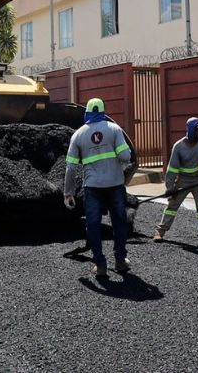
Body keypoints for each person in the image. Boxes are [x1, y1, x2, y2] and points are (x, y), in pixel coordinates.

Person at [63, 97, 132, 277]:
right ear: (103, 111)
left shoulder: (78, 135)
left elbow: (70, 167)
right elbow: (125, 156)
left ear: (87, 112)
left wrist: (68, 192)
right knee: (119, 222)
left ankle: (100, 265)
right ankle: (120, 261)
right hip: (115, 184)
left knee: (93, 225)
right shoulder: (115, 129)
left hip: (92, 187)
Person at [152, 117, 198, 247]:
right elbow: (172, 170)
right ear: (190, 130)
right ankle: (160, 231)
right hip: (183, 180)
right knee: (172, 206)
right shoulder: (179, 146)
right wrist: (170, 188)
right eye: (197, 130)